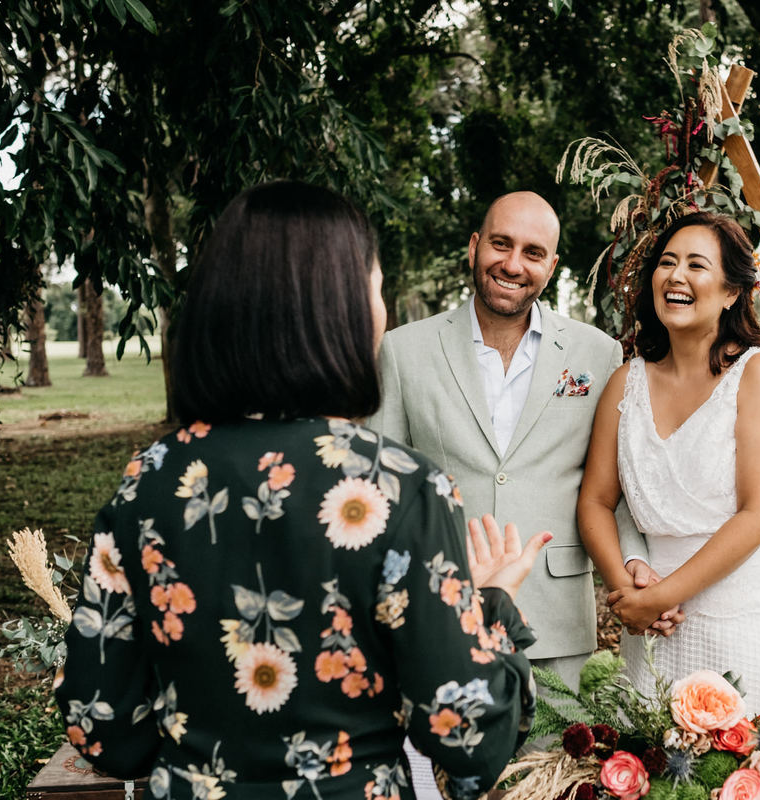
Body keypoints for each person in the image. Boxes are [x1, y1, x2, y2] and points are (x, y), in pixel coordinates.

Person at [54, 181, 548, 800]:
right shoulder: (400, 487)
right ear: (338, 310)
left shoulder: (148, 479)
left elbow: (100, 726)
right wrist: (493, 605)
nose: (383, 310)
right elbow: (472, 742)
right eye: (375, 289)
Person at [372, 191, 679, 799]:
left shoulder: (596, 353)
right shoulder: (404, 350)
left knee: (547, 783)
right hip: (439, 611)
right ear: (475, 247)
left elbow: (608, 485)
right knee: (439, 780)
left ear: (552, 265)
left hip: (554, 614)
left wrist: (634, 558)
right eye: (502, 244)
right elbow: (382, 487)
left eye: (533, 252)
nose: (514, 263)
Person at [577, 211, 760, 799]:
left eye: (697, 265)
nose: (676, 275)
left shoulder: (757, 375)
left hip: (747, 622)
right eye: (667, 262)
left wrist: (661, 596)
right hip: (655, 633)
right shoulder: (626, 384)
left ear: (731, 292)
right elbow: (596, 502)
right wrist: (627, 581)